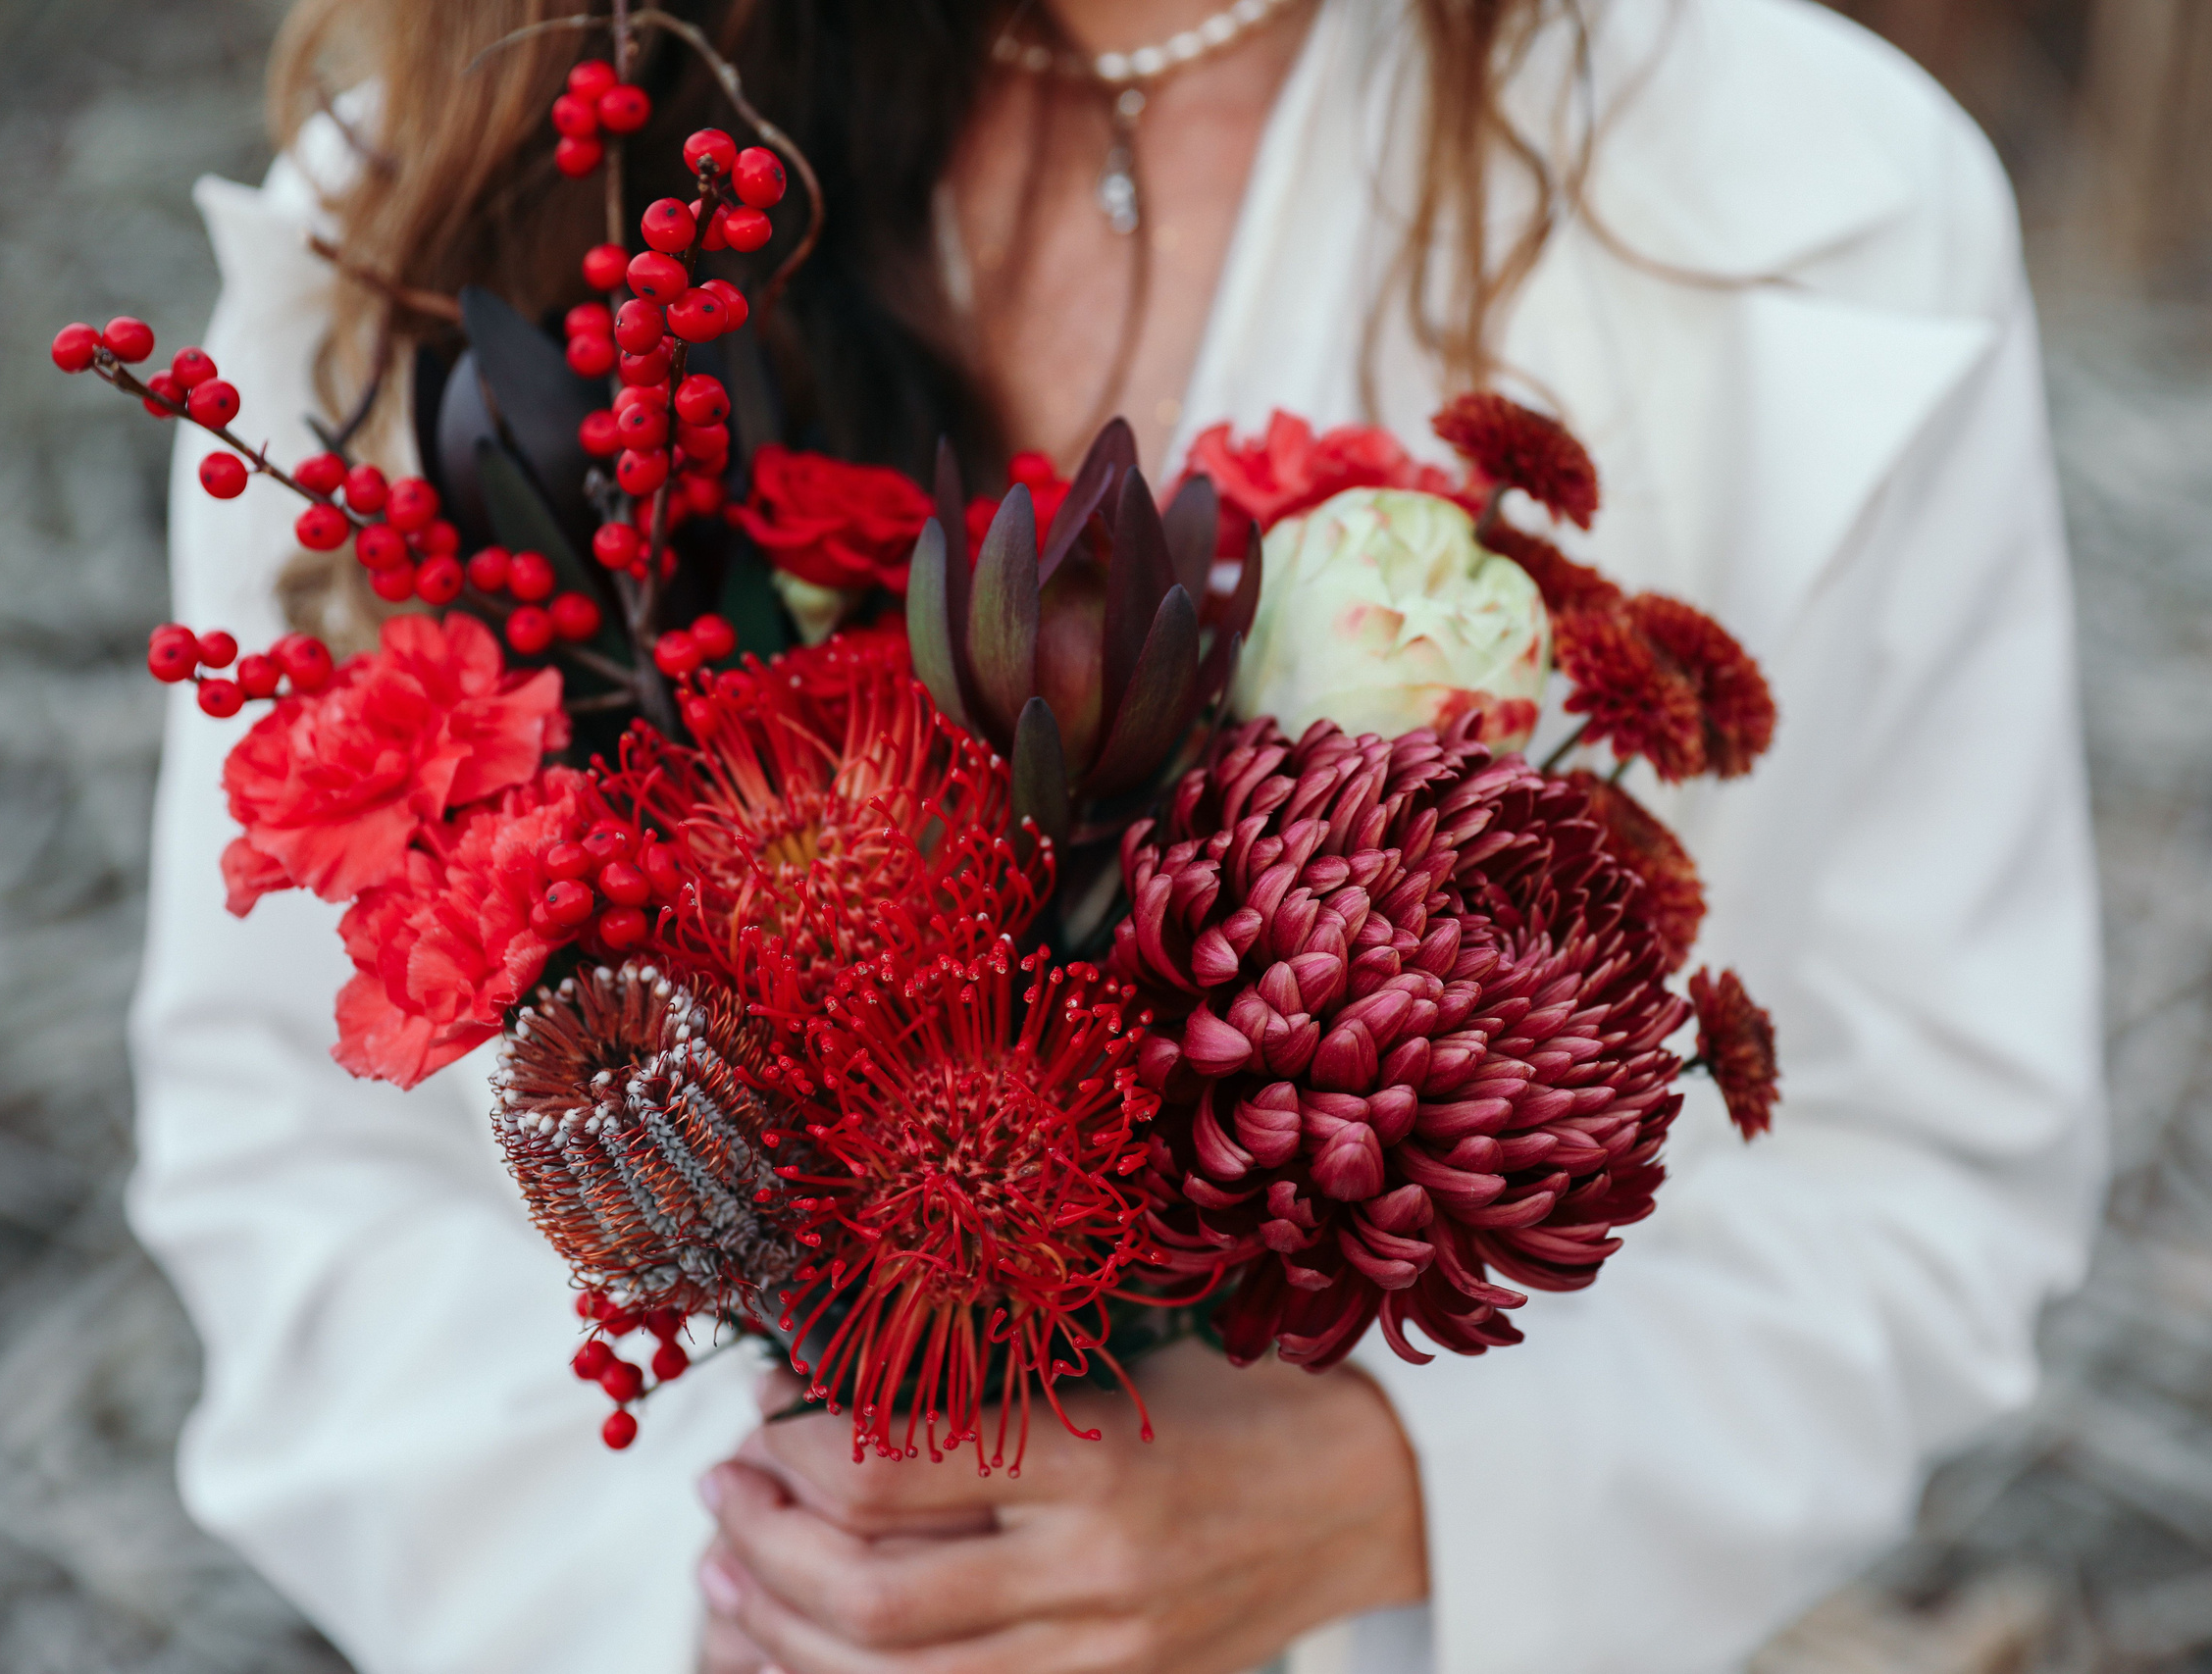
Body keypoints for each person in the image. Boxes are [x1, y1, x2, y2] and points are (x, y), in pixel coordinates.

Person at [126, 0, 2106, 1669]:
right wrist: (756, 1569)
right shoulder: (452, 202)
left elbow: (1922, 1157)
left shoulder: (1801, 206)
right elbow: (282, 1138)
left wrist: (1399, 1483)